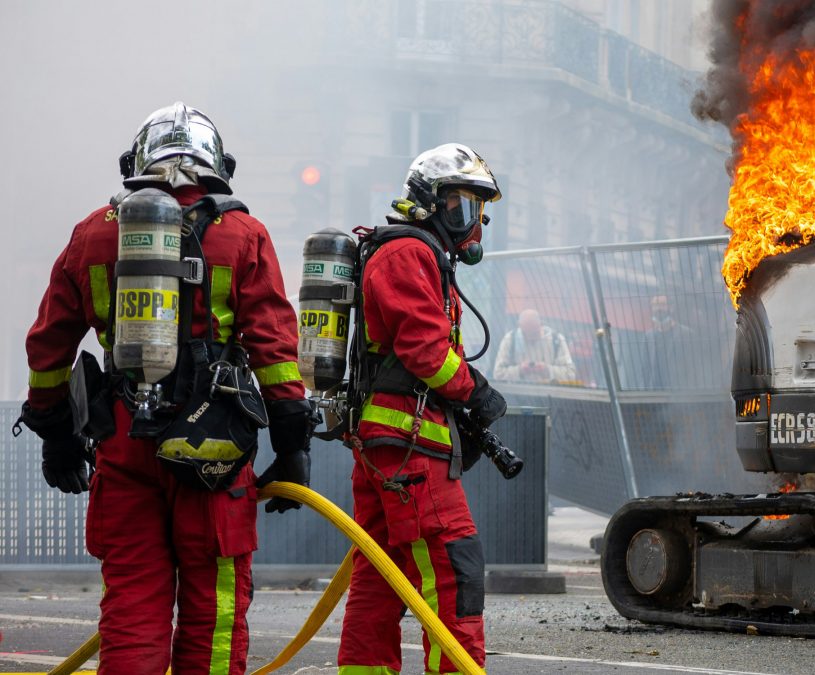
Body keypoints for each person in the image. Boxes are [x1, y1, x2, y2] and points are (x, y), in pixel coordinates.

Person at [16, 102, 313, 674]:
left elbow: (48, 345)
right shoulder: (242, 234)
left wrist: (55, 434)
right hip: (214, 444)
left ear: (135, 163)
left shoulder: (94, 233)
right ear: (218, 165)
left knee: (133, 604)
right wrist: (292, 442)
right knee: (213, 611)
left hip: (122, 440)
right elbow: (275, 345)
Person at [338, 143, 507, 674]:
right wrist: (476, 392)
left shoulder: (417, 253)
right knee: (454, 566)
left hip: (394, 443)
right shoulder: (407, 252)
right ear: (429, 201)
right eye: (461, 204)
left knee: (380, 574)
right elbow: (426, 351)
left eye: (477, 208)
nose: (470, 221)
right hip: (409, 445)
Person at [493, 308, 576, 383]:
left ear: (541, 324)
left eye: (534, 333)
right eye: (525, 334)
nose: (530, 338)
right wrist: (520, 370)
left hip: (549, 393)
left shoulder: (557, 340)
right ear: (519, 326)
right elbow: (497, 374)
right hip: (518, 393)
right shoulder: (510, 340)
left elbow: (571, 374)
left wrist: (546, 370)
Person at [646, 294, 695, 389]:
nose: (658, 309)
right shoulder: (648, 336)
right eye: (655, 305)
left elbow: (693, 367)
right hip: (655, 392)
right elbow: (646, 368)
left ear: (671, 308)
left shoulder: (687, 334)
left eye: (662, 305)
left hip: (679, 391)